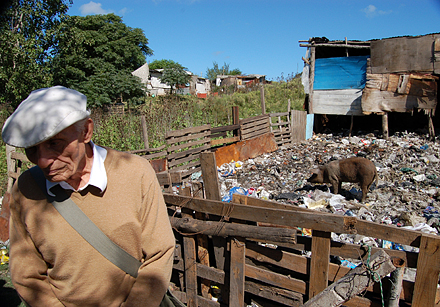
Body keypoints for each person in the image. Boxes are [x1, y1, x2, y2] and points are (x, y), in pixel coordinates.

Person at [2, 86, 175, 307]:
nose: (42, 160)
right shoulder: (25, 189)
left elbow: (160, 254)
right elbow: (27, 276)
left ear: (86, 131)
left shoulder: (136, 173)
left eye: (54, 143)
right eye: (32, 149)